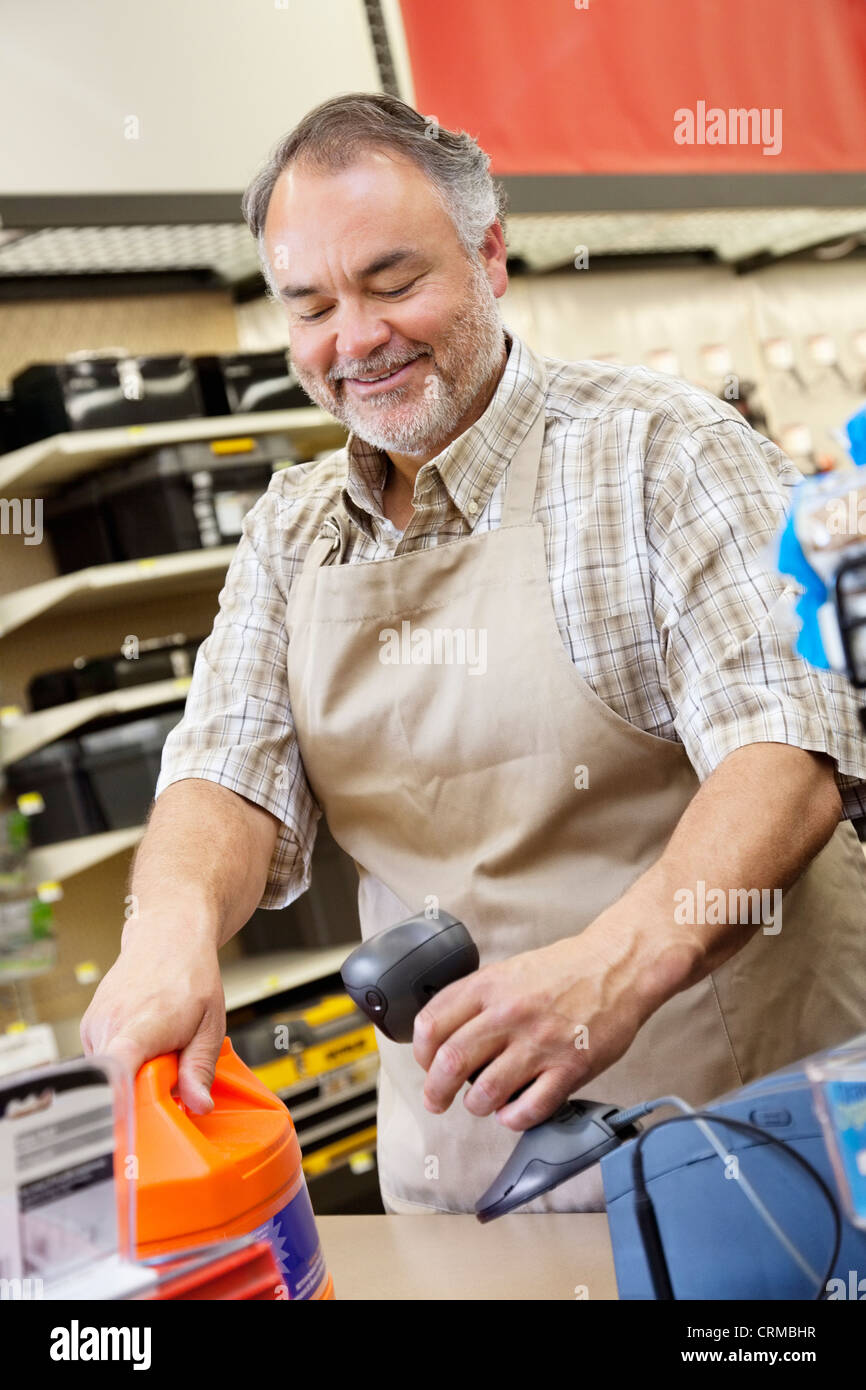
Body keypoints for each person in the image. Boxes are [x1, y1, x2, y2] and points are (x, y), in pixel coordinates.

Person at [82, 93, 866, 1214]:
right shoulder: (290, 529)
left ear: (489, 254)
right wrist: (165, 933)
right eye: (309, 306)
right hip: (464, 1191)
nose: (352, 339)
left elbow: (786, 750)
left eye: (393, 283)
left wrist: (614, 965)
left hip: (744, 1149)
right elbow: (224, 774)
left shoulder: (658, 449)